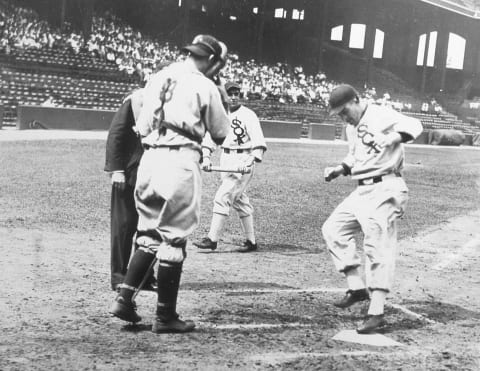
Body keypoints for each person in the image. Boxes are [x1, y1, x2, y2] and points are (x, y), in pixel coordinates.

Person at [109, 34, 230, 333]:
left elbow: (144, 126)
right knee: (174, 239)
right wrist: (221, 92)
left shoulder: (159, 76)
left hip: (149, 159)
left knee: (148, 234)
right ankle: (165, 316)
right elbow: (220, 133)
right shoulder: (205, 85)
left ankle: (124, 299)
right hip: (179, 161)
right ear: (212, 60)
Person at [321, 84, 423, 334]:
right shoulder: (351, 128)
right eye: (340, 114)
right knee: (333, 229)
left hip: (387, 185)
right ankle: (357, 287)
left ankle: (376, 312)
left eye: (345, 111)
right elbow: (355, 157)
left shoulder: (381, 113)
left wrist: (392, 137)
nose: (344, 117)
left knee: (377, 247)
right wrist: (339, 169)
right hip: (363, 190)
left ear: (356, 100)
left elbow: (416, 126)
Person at [194, 81, 267, 252]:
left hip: (243, 158)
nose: (234, 97)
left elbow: (258, 142)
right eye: (230, 94)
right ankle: (251, 242)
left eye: (237, 94)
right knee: (240, 200)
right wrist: (205, 156)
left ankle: (212, 239)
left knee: (223, 196)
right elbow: (210, 138)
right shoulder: (219, 114)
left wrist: (250, 161)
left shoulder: (249, 115)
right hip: (225, 158)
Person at [104, 88, 156, 292]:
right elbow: (116, 134)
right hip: (130, 173)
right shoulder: (138, 98)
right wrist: (116, 170)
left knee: (150, 227)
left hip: (154, 173)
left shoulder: (172, 101)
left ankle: (142, 276)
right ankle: (119, 277)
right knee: (124, 226)